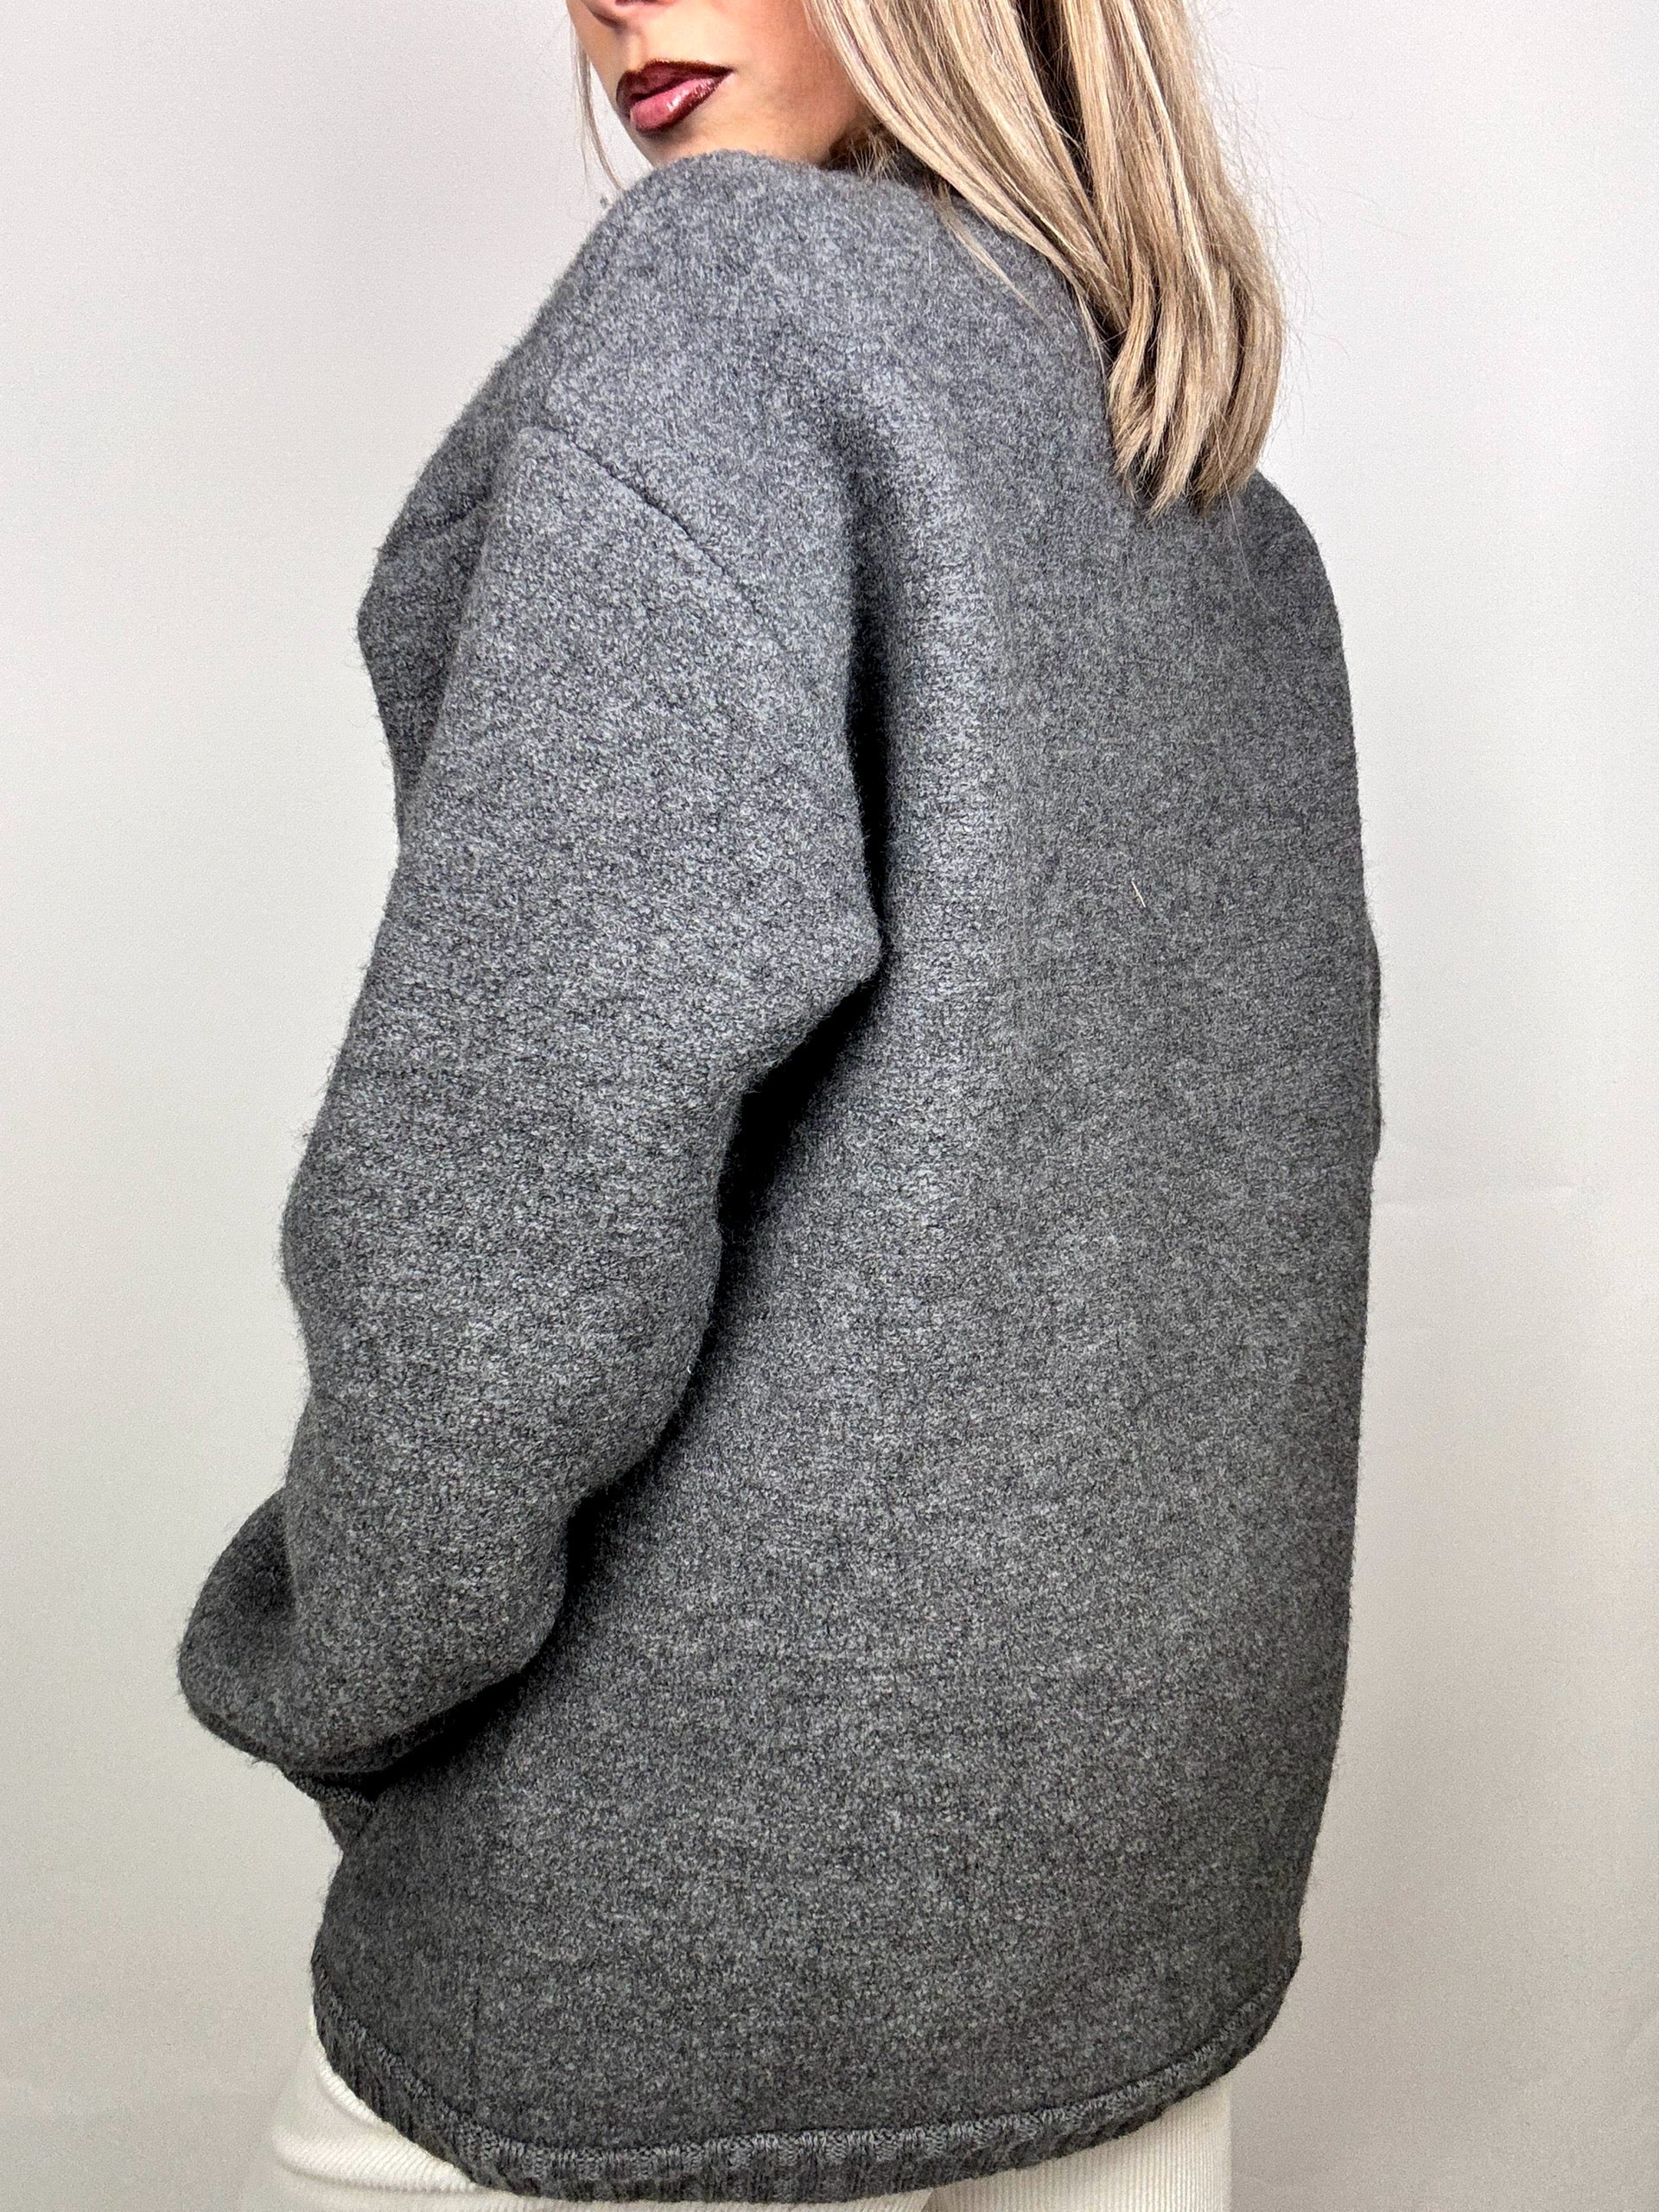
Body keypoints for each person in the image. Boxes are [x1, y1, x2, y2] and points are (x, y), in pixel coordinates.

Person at [177, 0, 1382, 2203]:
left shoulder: (726, 308)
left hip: (673, 1945)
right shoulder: (1224, 518)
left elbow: (509, 1191)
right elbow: (1248, 1256)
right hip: (1136, 1905)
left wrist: (339, 1660)